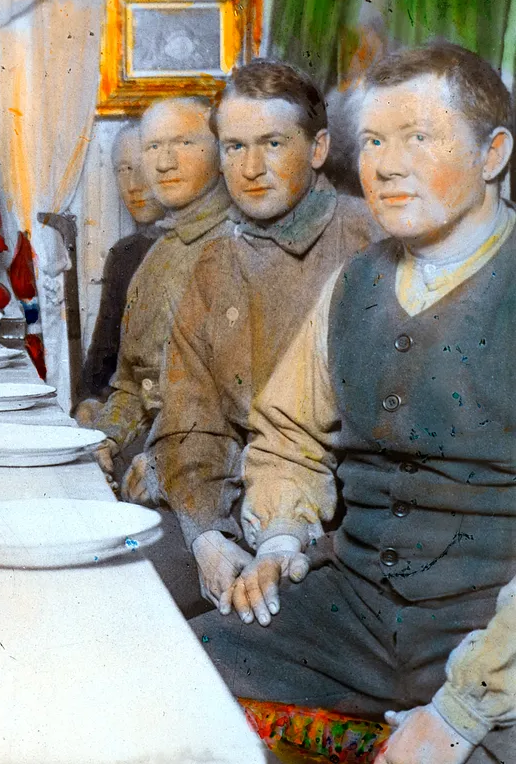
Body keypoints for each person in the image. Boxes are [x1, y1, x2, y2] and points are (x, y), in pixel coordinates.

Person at [194, 43, 516, 763]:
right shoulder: (353, 284)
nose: (387, 165)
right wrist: (281, 539)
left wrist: (462, 712)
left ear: (493, 152)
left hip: (496, 636)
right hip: (358, 616)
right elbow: (288, 435)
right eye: (373, 140)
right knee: (184, 672)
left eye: (419, 138)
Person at [123, 60, 381, 618]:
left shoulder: (372, 241)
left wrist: (282, 539)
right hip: (231, 506)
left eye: (272, 143)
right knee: (124, 596)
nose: (251, 168)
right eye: (235, 147)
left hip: (337, 526)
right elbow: (190, 420)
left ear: (317, 150)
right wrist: (206, 539)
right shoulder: (214, 264)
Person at [79, 96, 233, 479]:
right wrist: (106, 438)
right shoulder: (158, 252)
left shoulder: (243, 246)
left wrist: (163, 467)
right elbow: (131, 384)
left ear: (221, 150)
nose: (164, 163)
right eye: (153, 147)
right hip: (151, 459)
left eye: (183, 143)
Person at [76, 122, 165, 407]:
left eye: (143, 167)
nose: (133, 185)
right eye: (123, 170)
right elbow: (102, 359)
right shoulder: (124, 255)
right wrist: (86, 404)